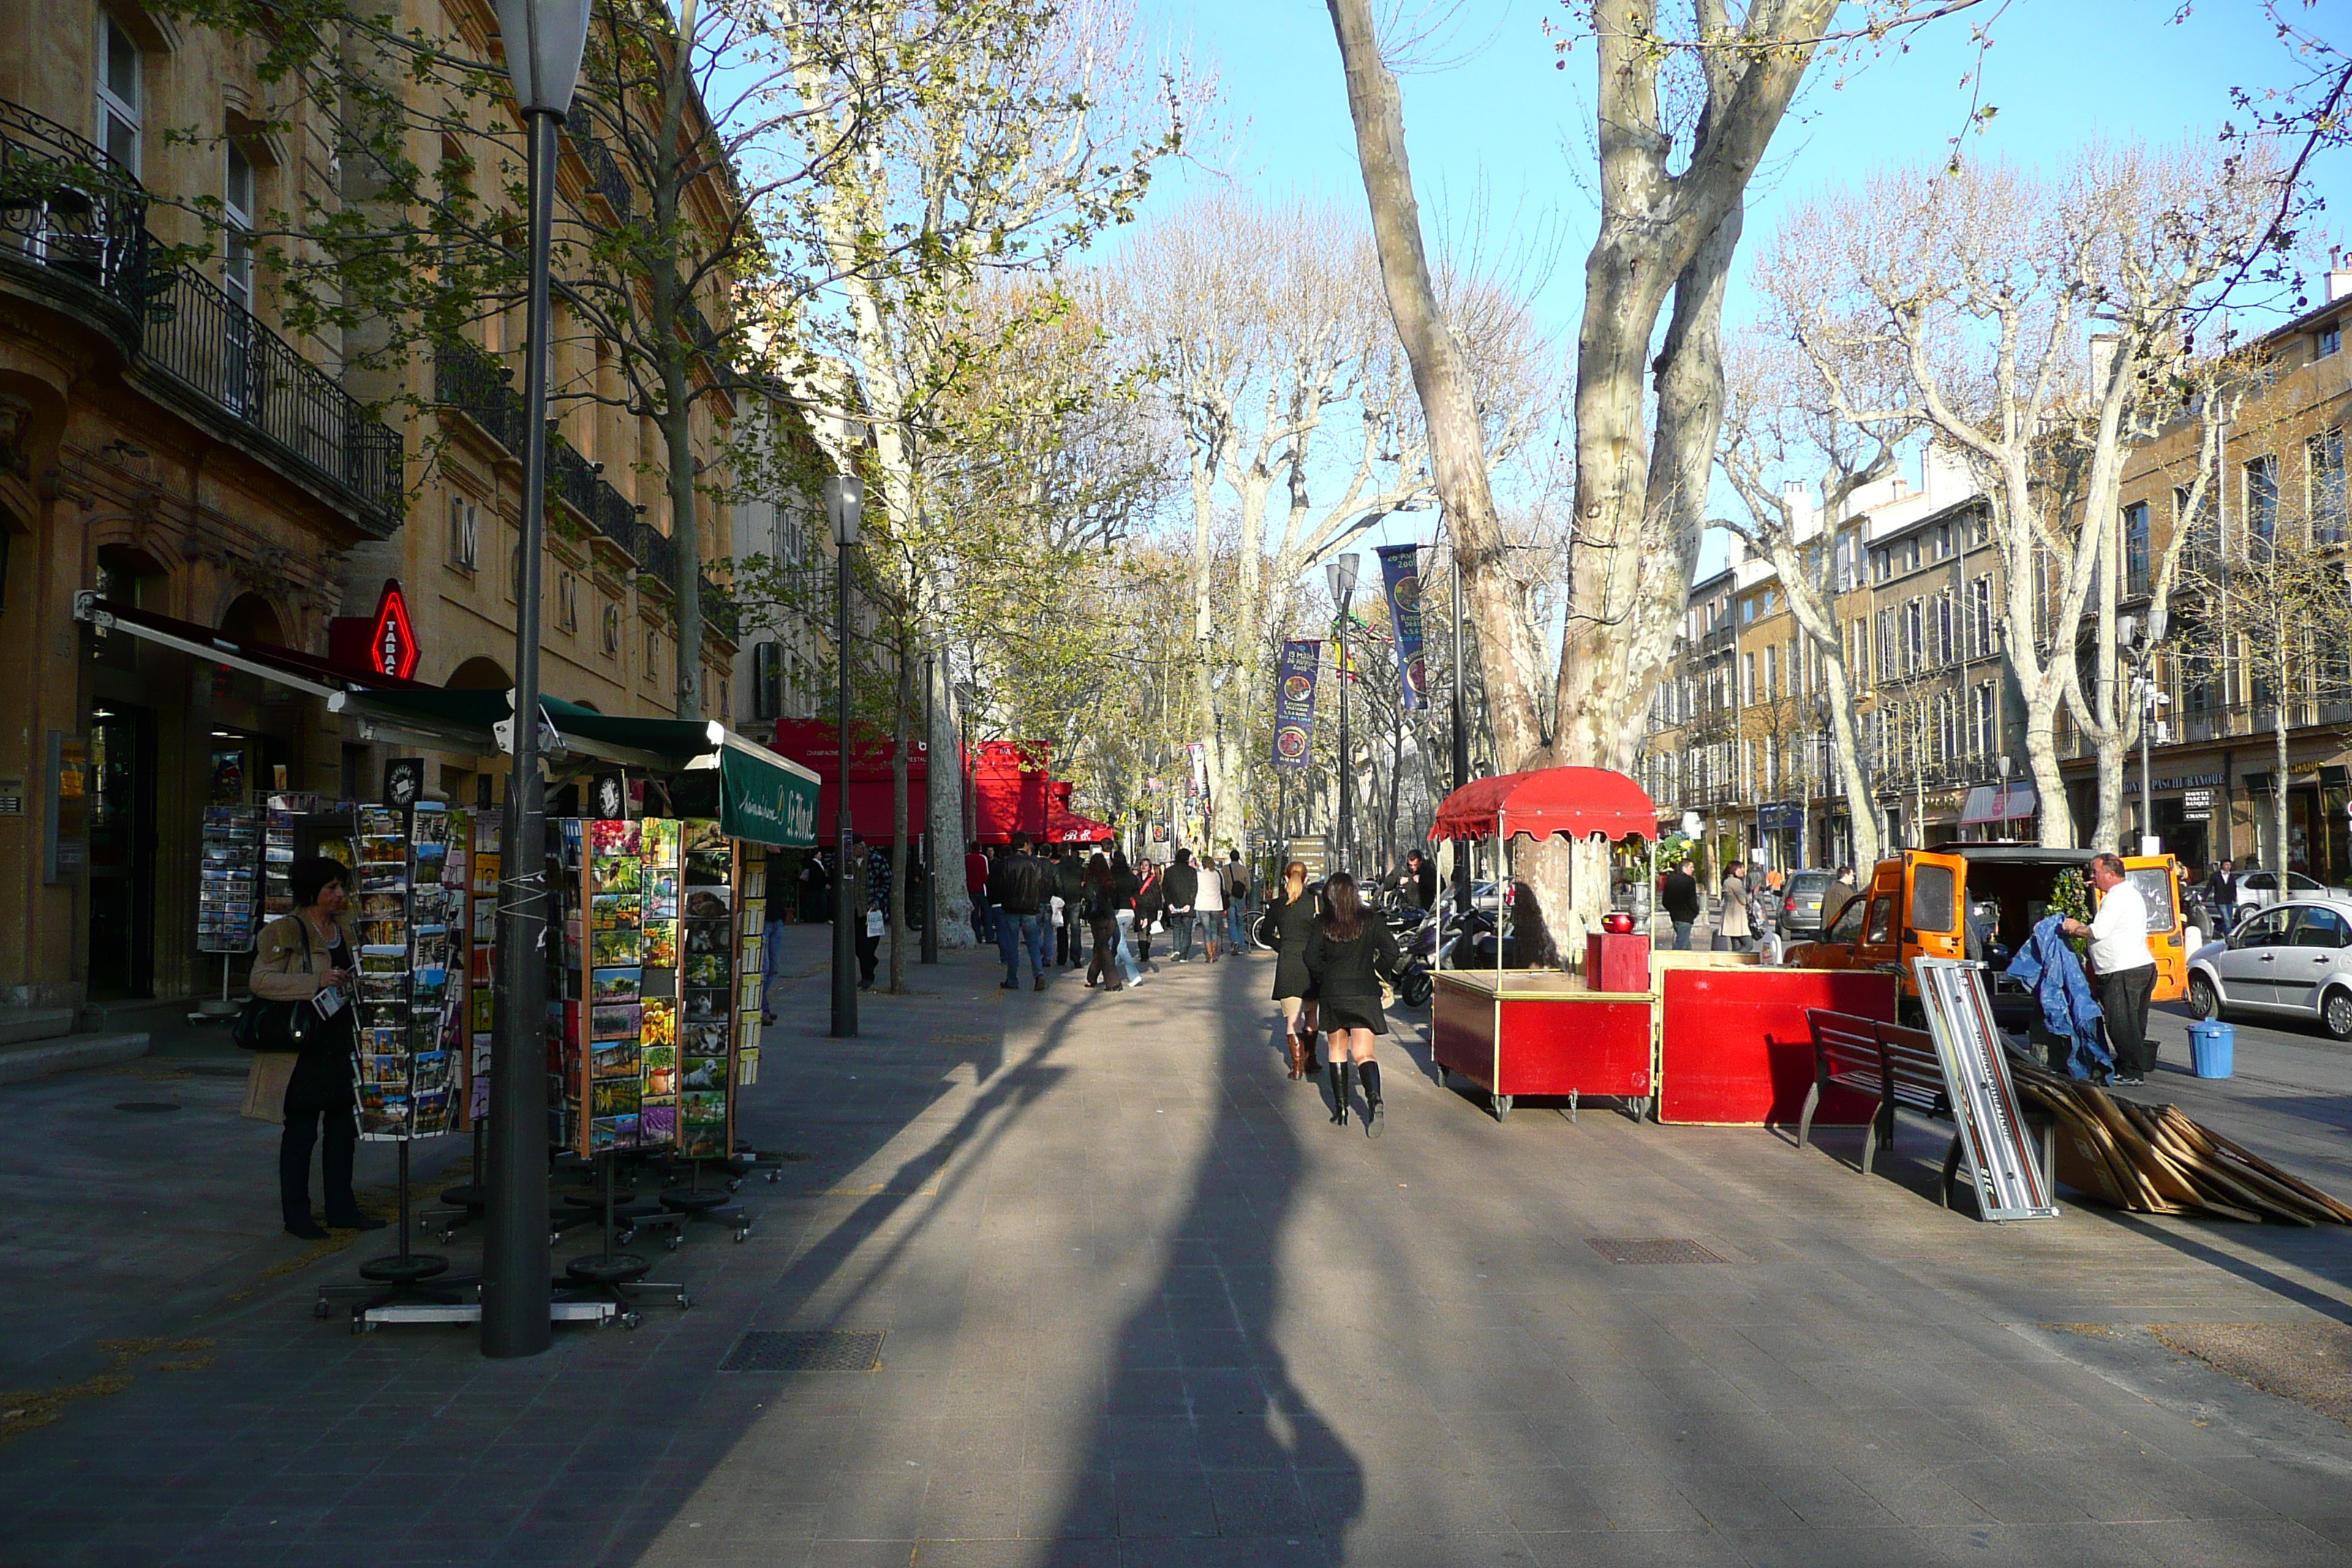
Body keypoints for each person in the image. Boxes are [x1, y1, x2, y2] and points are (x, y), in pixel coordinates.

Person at [252, 856, 383, 1239]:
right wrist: (315, 981)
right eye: (331, 888)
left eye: (342, 887)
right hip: (304, 1048)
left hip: (343, 1042)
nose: (340, 895)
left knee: (343, 1131)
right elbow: (260, 981)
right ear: (311, 892)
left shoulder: (347, 929)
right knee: (302, 1132)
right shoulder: (287, 931)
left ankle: (342, 1207)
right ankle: (297, 1216)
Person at [1303, 870, 1403, 1134]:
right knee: (1364, 1053)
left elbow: (1310, 956)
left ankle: (1342, 1108)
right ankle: (1374, 1100)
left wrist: (1325, 975)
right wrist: (1375, 973)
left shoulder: (1323, 922)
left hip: (1334, 992)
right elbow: (1392, 951)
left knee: (1337, 1049)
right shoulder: (1370, 920)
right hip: (1365, 992)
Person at [2063, 852, 2158, 1085]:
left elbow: (2098, 931)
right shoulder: (2129, 894)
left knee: (2120, 1023)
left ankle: (2132, 1071)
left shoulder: (2116, 898)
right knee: (2134, 1022)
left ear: (2111, 873)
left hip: (2122, 969)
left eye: (2095, 872)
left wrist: (2075, 928)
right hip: (2138, 965)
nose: (2092, 877)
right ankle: (2131, 1063)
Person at [1266, 860, 1322, 1080]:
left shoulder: (1278, 905)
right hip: (1312, 965)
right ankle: (1312, 1058)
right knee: (1311, 1014)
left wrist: (1282, 946)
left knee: (1292, 1019)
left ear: (1286, 879)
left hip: (1288, 963)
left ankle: (1297, 1067)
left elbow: (1265, 934)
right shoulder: (1317, 903)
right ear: (1306, 879)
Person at [987, 834, 1049, 990]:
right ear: (1027, 844)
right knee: (1033, 943)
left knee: (1012, 945)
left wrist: (997, 902)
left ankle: (1012, 978)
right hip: (1030, 908)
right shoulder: (1036, 864)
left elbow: (996, 885)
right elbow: (1043, 884)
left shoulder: (1006, 864)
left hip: (1011, 907)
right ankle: (1039, 973)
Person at [1110, 851, 1145, 988]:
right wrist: (1142, 915)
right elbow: (1139, 896)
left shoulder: (1111, 876)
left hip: (1116, 911)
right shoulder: (1131, 877)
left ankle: (1134, 974)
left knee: (1120, 944)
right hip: (1130, 912)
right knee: (1119, 941)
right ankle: (1110, 970)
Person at [1163, 848, 1200, 961]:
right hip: (1187, 904)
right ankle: (1184, 954)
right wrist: (1190, 903)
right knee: (1187, 931)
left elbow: (1165, 888)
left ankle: (1177, 950)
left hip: (1174, 904)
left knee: (1176, 928)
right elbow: (1194, 888)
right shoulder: (1192, 871)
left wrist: (1169, 903)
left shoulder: (1169, 871)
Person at [1053, 848, 1087, 968]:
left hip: (1062, 900)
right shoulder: (1078, 867)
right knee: (1075, 929)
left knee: (1062, 929)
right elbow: (1084, 881)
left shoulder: (1057, 867)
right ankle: (1076, 957)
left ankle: (1061, 957)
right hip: (1075, 899)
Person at [1662, 859, 1700, 951]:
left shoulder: (1671, 879)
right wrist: (1695, 911)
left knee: (1685, 942)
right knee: (1681, 943)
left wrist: (1671, 909)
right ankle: (1675, 961)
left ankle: (1689, 960)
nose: (1693, 869)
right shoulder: (1689, 881)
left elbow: (1665, 900)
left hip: (1675, 915)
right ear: (1684, 868)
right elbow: (1692, 900)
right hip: (1686, 916)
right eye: (1691, 867)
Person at [1196, 846, 1226, 962]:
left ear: (1203, 864)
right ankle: (1214, 953)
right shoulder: (1218, 874)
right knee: (1215, 930)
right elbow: (1223, 889)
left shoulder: (1199, 875)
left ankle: (1209, 955)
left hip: (1203, 904)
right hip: (1216, 905)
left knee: (1206, 930)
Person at [1134, 858, 1164, 965]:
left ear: (1150, 867)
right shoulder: (1136, 878)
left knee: (1149, 931)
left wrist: (1160, 908)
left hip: (1151, 908)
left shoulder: (1153, 880)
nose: (1144, 867)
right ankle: (1143, 954)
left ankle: (1146, 948)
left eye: (1146, 865)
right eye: (1142, 865)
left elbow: (1158, 895)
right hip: (1139, 907)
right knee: (1142, 930)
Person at [1719, 861, 1754, 953]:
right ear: (1734, 869)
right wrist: (1750, 896)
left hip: (1731, 917)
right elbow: (1743, 900)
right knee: (1748, 944)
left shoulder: (1727, 881)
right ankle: (1734, 960)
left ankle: (1735, 962)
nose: (1743, 870)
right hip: (1737, 917)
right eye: (1741, 868)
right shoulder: (1735, 882)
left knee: (1736, 945)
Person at [965, 842, 994, 944]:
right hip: (982, 889)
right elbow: (985, 875)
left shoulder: (966, 858)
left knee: (974, 914)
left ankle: (977, 936)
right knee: (987, 913)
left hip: (970, 888)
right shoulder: (982, 858)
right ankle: (989, 935)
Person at [1224, 849, 1251, 951]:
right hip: (1241, 897)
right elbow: (1248, 886)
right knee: (1240, 921)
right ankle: (1241, 944)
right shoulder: (1244, 869)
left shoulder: (1225, 869)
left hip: (1230, 897)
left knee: (1231, 921)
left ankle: (1234, 940)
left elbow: (1223, 885)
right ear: (1239, 857)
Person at [1405, 848, 1438, 914]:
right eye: (1410, 865)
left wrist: (1422, 880)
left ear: (1421, 862)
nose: (1413, 867)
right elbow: (1387, 885)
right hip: (1407, 910)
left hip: (1425, 910)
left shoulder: (1429, 871)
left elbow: (1439, 886)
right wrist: (1398, 881)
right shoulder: (1402, 870)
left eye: (1415, 865)